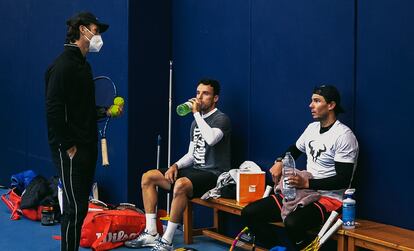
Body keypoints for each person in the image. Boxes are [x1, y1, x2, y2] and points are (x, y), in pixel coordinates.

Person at [241, 85, 359, 250]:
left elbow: (343, 180)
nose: (311, 105)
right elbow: (295, 149)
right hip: (304, 191)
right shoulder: (312, 128)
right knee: (250, 213)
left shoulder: (344, 136)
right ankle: (276, 248)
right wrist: (279, 162)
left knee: (293, 223)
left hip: (330, 199)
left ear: (331, 105)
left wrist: (307, 184)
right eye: (311, 101)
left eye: (317, 101)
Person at [125, 79, 232, 251]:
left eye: (205, 94)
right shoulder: (195, 123)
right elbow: (191, 155)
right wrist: (175, 165)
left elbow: (211, 140)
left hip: (214, 175)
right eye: (198, 93)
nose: (199, 97)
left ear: (215, 98)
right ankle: (151, 233)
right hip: (195, 171)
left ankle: (167, 241)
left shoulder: (222, 119)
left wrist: (196, 114)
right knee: (148, 177)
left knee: (181, 185)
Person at [45, 12, 115, 251]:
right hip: (71, 149)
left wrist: (105, 112)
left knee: (81, 208)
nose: (98, 36)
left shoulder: (84, 66)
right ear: (83, 30)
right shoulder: (62, 66)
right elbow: (54, 110)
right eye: (96, 31)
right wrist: (68, 145)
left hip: (87, 146)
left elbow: (82, 109)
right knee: (74, 209)